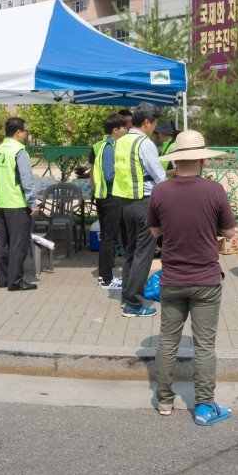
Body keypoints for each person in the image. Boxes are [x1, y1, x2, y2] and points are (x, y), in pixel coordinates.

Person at [147, 129, 236, 425]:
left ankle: (165, 400)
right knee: (205, 345)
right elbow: (229, 232)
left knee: (167, 342)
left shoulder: (160, 190)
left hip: (172, 277)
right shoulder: (215, 191)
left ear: (176, 159)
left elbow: (155, 231)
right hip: (206, 279)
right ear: (202, 159)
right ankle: (204, 406)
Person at [114, 102, 167, 317]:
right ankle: (134, 305)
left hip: (126, 203)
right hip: (145, 203)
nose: (154, 128)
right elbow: (160, 176)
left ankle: (126, 297)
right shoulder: (144, 143)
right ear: (146, 122)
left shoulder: (121, 141)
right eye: (154, 124)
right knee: (143, 256)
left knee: (130, 253)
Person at [0, 117, 40, 292]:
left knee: (3, 242)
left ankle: (3, 278)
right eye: (25, 131)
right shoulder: (19, 151)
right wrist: (32, 203)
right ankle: (16, 281)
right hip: (17, 203)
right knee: (18, 244)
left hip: (3, 201)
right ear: (18, 132)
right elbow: (26, 180)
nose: (26, 134)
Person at [90, 113, 128, 289]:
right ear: (115, 130)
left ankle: (104, 276)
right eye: (123, 128)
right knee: (109, 239)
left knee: (108, 238)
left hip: (107, 197)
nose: (126, 130)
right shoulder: (109, 148)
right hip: (111, 197)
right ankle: (106, 278)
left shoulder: (108, 145)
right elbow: (109, 175)